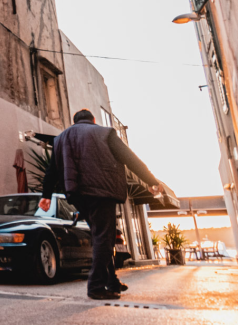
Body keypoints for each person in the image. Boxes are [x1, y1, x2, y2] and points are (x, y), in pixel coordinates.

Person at [39, 109, 161, 300]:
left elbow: (51, 170)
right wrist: (151, 180)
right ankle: (96, 286)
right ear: (93, 120)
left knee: (101, 237)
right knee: (105, 237)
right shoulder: (105, 133)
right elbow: (129, 158)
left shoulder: (61, 138)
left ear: (75, 121)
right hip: (102, 191)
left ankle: (111, 281)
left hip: (77, 193)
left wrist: (45, 195)